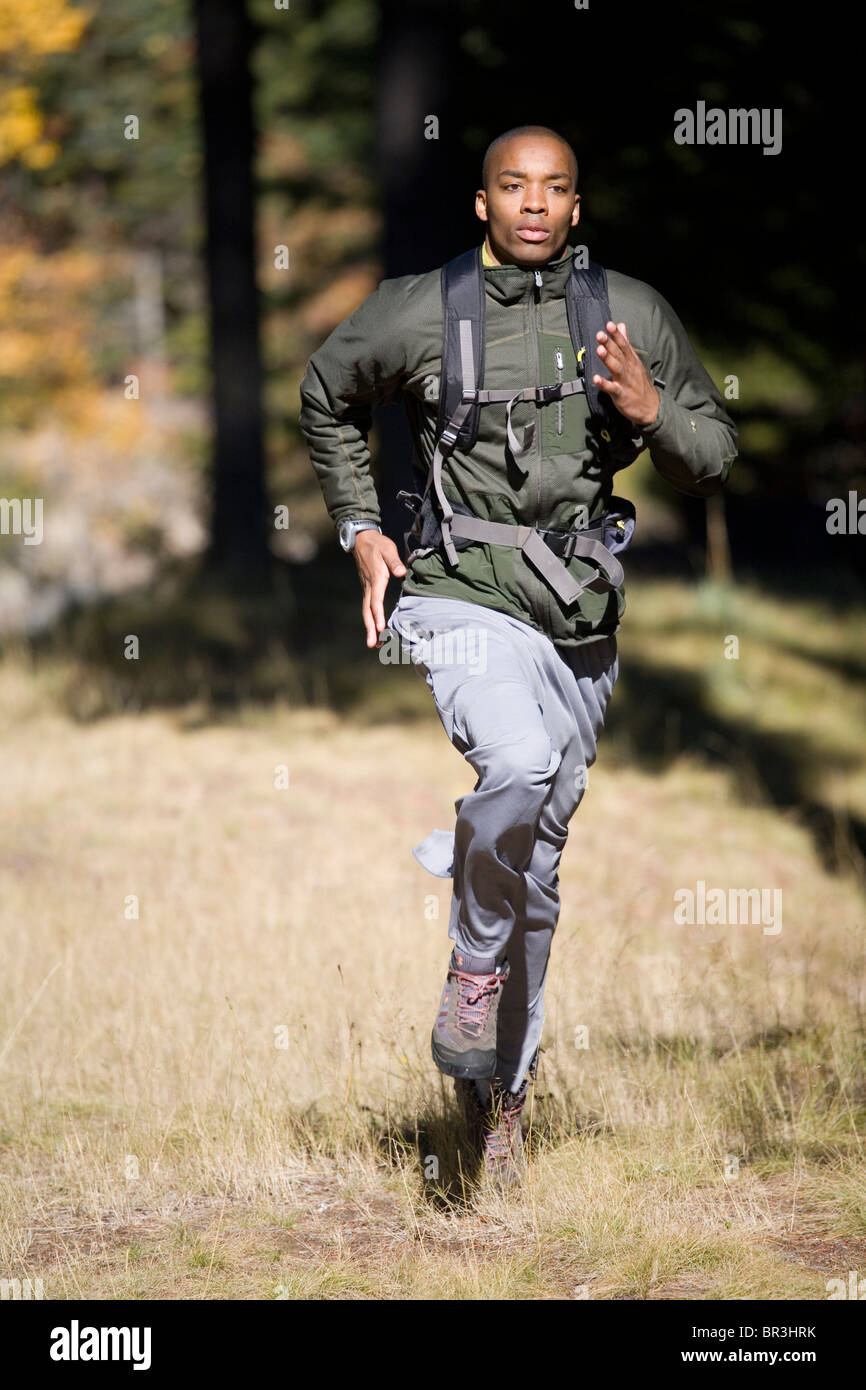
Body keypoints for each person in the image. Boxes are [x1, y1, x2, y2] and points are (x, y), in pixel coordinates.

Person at [299, 124, 737, 1188]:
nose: (533, 204)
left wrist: (650, 411)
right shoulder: (418, 309)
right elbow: (324, 392)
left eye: (554, 189)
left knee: (534, 873)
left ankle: (499, 1100)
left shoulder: (627, 312)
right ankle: (469, 964)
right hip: (456, 595)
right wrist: (362, 527)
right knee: (518, 764)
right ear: (481, 203)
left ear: (575, 207)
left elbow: (714, 453)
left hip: (580, 620)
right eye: (512, 185)